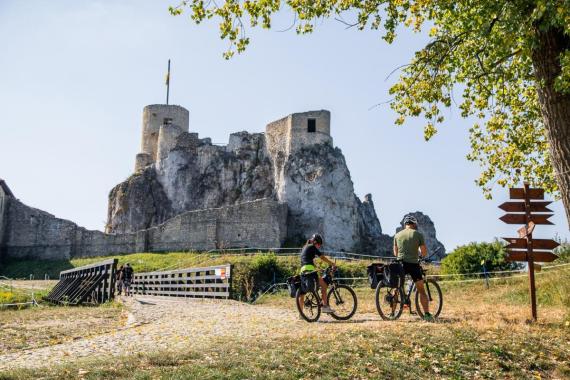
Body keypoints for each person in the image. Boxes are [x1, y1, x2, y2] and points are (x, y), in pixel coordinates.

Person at [393, 215, 433, 321]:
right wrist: (421, 256)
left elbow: (395, 252)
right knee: (421, 291)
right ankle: (427, 314)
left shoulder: (397, 235)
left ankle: (392, 313)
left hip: (400, 264)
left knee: (396, 289)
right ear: (414, 224)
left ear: (405, 224)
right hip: (413, 264)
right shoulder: (418, 234)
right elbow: (424, 252)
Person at [299, 233, 336, 314]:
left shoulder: (305, 247)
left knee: (302, 293)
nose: (319, 246)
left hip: (302, 271)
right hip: (310, 270)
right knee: (324, 285)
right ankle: (325, 307)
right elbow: (322, 257)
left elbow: (306, 261)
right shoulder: (312, 246)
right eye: (319, 244)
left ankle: (301, 314)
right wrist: (332, 263)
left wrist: (318, 268)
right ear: (315, 242)